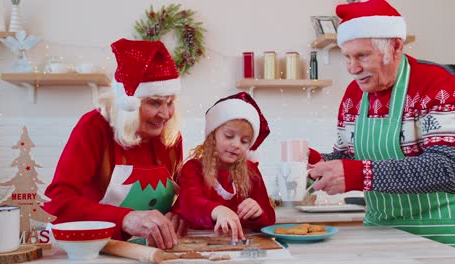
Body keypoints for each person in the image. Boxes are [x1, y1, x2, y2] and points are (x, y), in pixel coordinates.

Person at [308, 0, 455, 246]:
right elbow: (348, 157)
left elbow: (448, 168)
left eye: (362, 56)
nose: (352, 68)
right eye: (347, 57)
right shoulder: (353, 96)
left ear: (395, 47)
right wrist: (313, 163)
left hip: (438, 235)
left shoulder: (437, 85)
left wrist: (360, 175)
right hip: (379, 233)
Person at [43, 39, 187, 249]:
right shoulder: (94, 127)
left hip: (151, 250)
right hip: (96, 248)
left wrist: (179, 211)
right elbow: (58, 202)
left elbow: (185, 190)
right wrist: (125, 218)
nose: (165, 114)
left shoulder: (170, 136)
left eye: (170, 102)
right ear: (128, 102)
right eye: (154, 102)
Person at [177, 92, 275, 243]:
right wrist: (217, 210)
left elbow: (269, 218)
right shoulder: (193, 168)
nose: (236, 145)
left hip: (239, 245)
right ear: (212, 136)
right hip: (199, 244)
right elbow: (189, 203)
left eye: (244, 141)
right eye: (229, 136)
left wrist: (258, 212)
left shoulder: (251, 172)